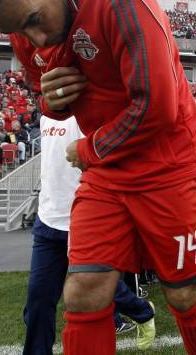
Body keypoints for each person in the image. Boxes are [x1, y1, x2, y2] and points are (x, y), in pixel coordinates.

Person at [0, 0, 196, 354]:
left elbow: (157, 108)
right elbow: (52, 99)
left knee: (182, 294)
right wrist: (50, 101)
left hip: (167, 167)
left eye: (35, 19)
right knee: (82, 292)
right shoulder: (23, 21)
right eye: (17, 30)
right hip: (107, 174)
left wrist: (89, 151)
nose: (33, 39)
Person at [24, 116, 155, 354]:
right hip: (48, 219)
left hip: (85, 218)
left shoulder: (90, 112)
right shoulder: (45, 117)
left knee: (93, 286)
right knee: (38, 298)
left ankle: (142, 311)